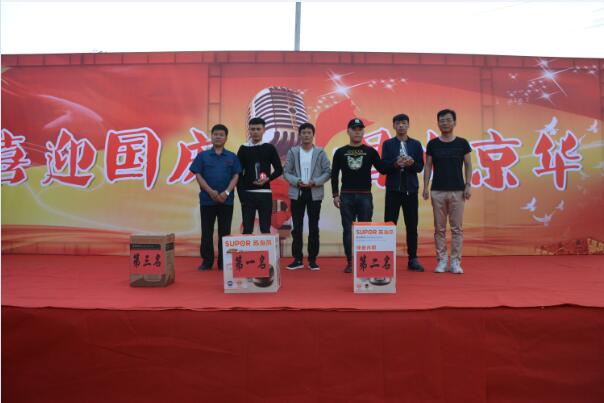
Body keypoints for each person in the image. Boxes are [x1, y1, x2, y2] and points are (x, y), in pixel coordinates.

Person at [331, 118, 393, 273]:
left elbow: (382, 169)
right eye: (354, 129)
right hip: (346, 196)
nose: (357, 132)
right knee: (348, 230)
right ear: (348, 131)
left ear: (363, 132)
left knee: (365, 230)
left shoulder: (370, 151)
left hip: (365, 196)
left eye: (360, 129)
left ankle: (363, 261)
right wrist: (335, 195)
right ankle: (350, 262)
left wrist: (396, 163)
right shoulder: (340, 152)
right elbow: (334, 174)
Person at [423, 109, 472, 274]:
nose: (445, 123)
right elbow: (428, 166)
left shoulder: (462, 143)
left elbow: (468, 165)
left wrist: (468, 185)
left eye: (448, 120)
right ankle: (442, 260)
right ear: (438, 123)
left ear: (454, 122)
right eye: (442, 120)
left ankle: (456, 262)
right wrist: (425, 187)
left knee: (457, 228)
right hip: (437, 191)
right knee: (439, 229)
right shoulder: (432, 144)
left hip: (458, 191)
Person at [189, 124, 241, 271]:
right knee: (207, 232)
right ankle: (207, 261)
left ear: (226, 138)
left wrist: (226, 193)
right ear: (211, 137)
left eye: (221, 135)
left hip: (226, 200)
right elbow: (198, 175)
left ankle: (223, 262)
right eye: (215, 134)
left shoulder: (232, 157)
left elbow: (236, 176)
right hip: (207, 200)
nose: (218, 137)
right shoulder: (202, 156)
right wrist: (210, 191)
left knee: (224, 232)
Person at [283, 122, 331, 271]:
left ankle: (312, 260)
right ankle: (297, 259)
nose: (306, 135)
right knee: (297, 227)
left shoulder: (320, 152)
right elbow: (286, 172)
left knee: (313, 227)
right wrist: (296, 181)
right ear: (299, 135)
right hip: (297, 192)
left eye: (309, 132)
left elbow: (327, 171)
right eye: (303, 132)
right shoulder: (293, 151)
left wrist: (315, 182)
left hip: (314, 192)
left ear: (313, 135)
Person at [381, 113, 425, 272]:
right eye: (398, 123)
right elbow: (383, 167)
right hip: (393, 190)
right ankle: (386, 258)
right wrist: (395, 164)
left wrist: (411, 163)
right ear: (394, 125)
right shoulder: (388, 144)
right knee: (389, 225)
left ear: (408, 125)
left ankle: (413, 259)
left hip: (411, 190)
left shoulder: (416, 144)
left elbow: (420, 167)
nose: (401, 126)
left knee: (412, 226)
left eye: (404, 123)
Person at [237, 117, 283, 234]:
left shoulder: (269, 148)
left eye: (258, 129)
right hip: (248, 194)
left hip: (265, 194)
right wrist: (242, 195)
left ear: (264, 130)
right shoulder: (243, 148)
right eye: (252, 129)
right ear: (249, 130)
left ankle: (266, 247)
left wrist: (267, 179)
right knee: (247, 229)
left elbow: (279, 170)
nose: (255, 132)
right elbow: (238, 174)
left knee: (265, 229)